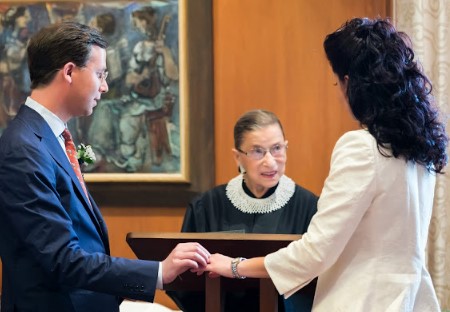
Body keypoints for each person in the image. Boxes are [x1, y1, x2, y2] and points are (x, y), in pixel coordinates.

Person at [203, 17, 448, 311]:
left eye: (336, 80)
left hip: (363, 301)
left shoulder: (362, 147)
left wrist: (234, 266)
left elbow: (316, 251)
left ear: (350, 83)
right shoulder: (420, 150)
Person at [0, 21, 209, 312]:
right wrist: (159, 272)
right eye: (99, 74)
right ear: (70, 71)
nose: (105, 86)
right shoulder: (23, 149)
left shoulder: (48, 138)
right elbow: (63, 259)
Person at [167, 110, 318, 312]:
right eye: (257, 151)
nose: (270, 161)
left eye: (277, 148)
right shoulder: (207, 206)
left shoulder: (309, 207)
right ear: (237, 157)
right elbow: (185, 282)